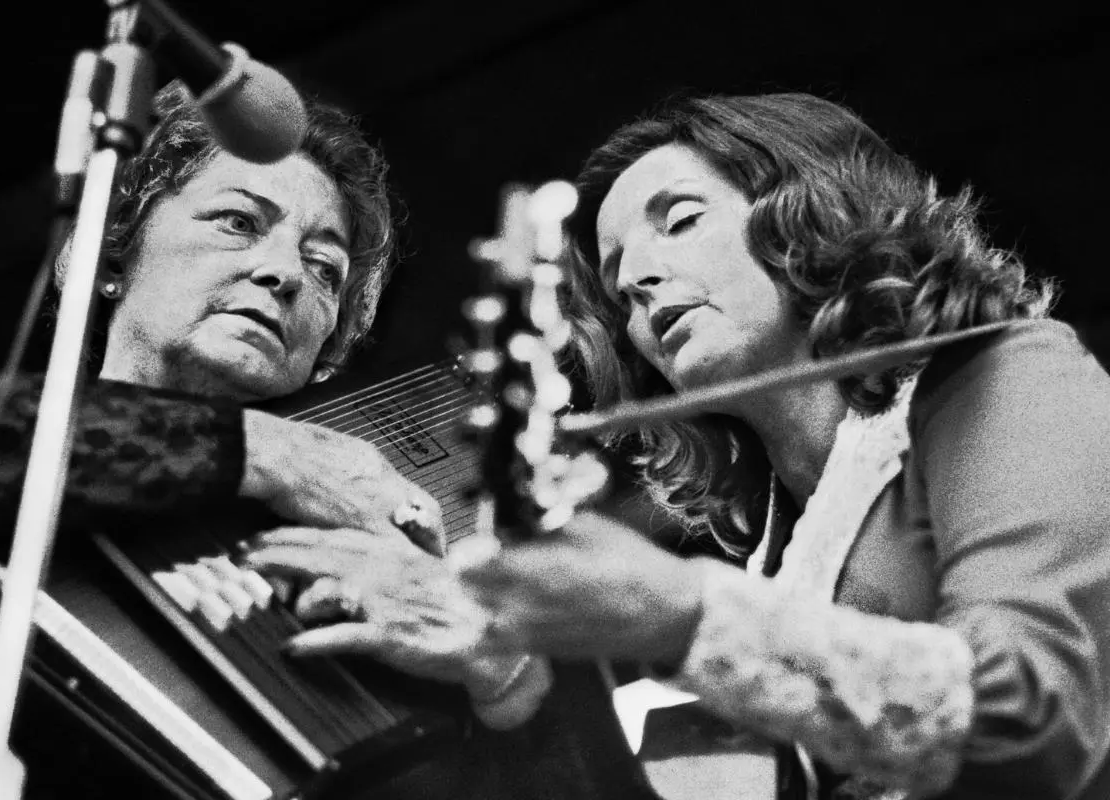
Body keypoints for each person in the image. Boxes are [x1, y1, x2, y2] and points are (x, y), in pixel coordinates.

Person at [454, 92, 1110, 800]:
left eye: (679, 220)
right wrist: (497, 679)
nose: (637, 281)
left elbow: (1041, 722)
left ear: (809, 212)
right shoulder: (771, 563)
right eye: (618, 289)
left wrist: (687, 615)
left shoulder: (1012, 370)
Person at [0, 80, 544, 744]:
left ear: (327, 345)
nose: (285, 273)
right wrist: (269, 452)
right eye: (238, 222)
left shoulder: (364, 544)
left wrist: (499, 672)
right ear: (114, 251)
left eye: (325, 268)